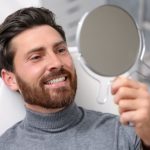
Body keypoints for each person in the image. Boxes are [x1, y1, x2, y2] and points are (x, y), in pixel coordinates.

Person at [0, 7, 150, 150]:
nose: (56, 63)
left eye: (60, 50)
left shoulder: (125, 134)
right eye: (36, 57)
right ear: (10, 79)